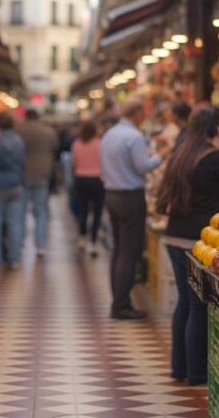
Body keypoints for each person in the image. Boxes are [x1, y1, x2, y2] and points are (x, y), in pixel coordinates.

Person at [156, 107, 219, 384]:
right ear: (218, 128)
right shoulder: (216, 157)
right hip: (198, 240)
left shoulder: (183, 153)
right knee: (198, 304)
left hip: (175, 235)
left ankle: (181, 368)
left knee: (185, 302)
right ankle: (197, 372)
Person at [100, 98, 163, 320]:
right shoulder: (134, 136)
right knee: (129, 252)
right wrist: (161, 156)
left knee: (118, 250)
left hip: (111, 195)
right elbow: (143, 166)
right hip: (130, 197)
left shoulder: (109, 134)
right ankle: (121, 305)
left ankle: (118, 301)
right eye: (143, 113)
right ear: (136, 114)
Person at [16, 110, 59, 257]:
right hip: (43, 173)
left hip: (23, 174)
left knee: (21, 211)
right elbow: (54, 149)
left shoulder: (18, 130)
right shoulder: (48, 132)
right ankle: (40, 245)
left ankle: (19, 244)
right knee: (40, 210)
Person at [0, 111, 26, 269]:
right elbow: (23, 162)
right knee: (15, 223)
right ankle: (14, 258)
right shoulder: (19, 141)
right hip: (16, 184)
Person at [70, 120, 104, 256]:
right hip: (97, 179)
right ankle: (93, 241)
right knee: (97, 211)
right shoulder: (100, 144)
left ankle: (82, 237)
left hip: (81, 179)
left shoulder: (77, 144)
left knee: (83, 209)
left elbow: (74, 163)